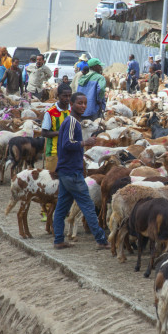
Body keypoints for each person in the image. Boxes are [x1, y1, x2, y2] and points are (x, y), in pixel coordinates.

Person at [51, 92, 110, 250]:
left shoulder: (74, 122)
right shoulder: (72, 122)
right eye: (79, 103)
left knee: (62, 207)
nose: (83, 106)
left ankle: (58, 240)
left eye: (85, 103)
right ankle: (101, 240)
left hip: (67, 170)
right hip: (71, 172)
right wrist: (86, 142)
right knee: (88, 205)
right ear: (71, 104)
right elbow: (67, 144)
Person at [42, 84, 72, 172]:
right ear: (58, 96)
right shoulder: (50, 112)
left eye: (69, 96)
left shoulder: (72, 110)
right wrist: (60, 133)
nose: (67, 98)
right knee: (54, 181)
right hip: (54, 152)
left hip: (70, 152)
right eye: (65, 96)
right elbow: (44, 133)